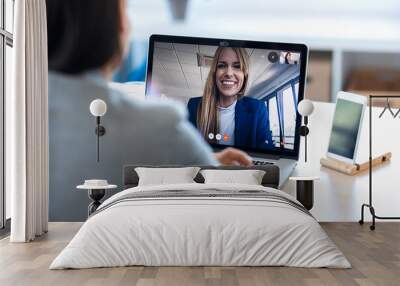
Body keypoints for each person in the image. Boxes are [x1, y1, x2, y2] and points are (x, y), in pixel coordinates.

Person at [187, 47, 274, 150]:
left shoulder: (257, 109)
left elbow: (267, 151)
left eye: (237, 66)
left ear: (245, 75)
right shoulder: (194, 106)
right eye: (222, 66)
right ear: (214, 72)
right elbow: (186, 150)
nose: (228, 73)